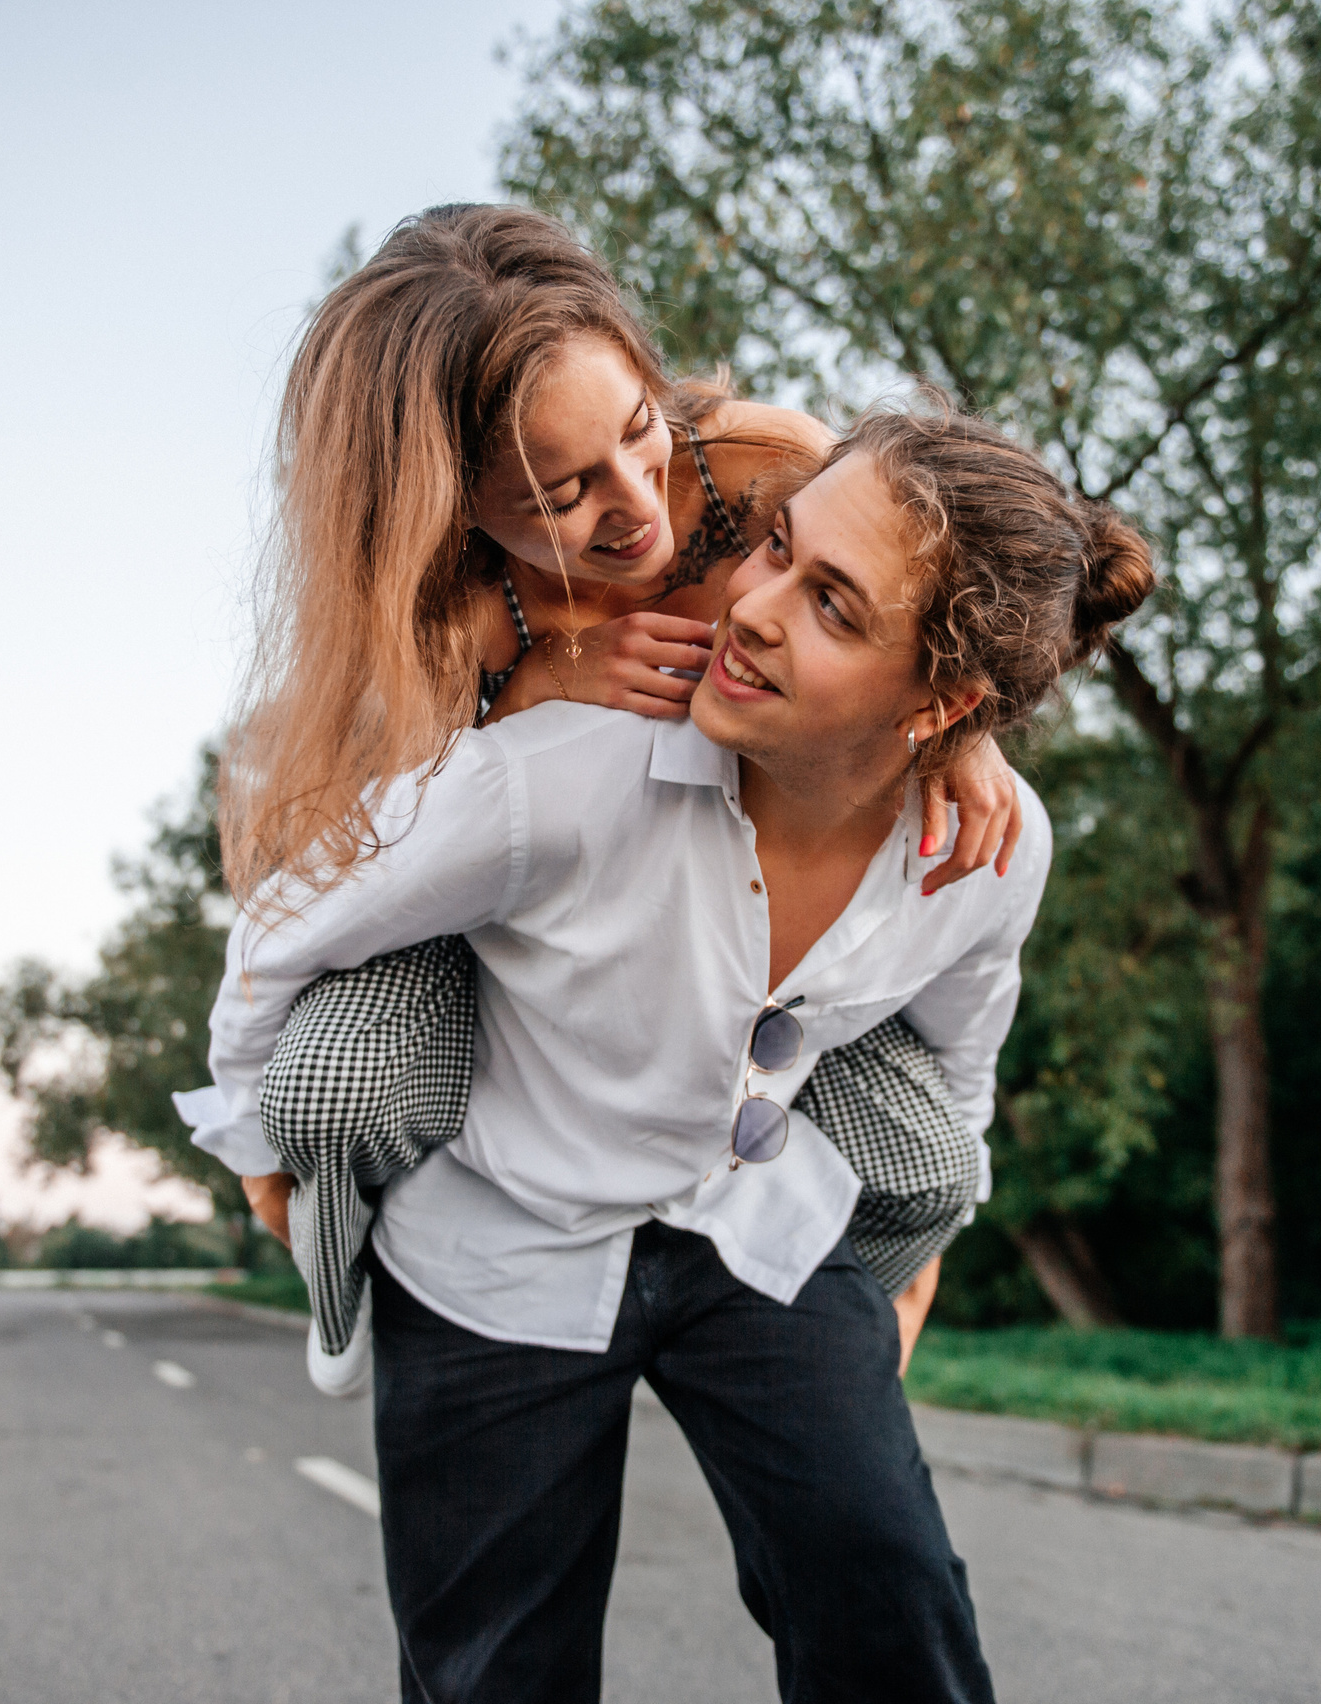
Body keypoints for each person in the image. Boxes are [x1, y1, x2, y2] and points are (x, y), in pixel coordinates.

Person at [194, 402, 1154, 1703]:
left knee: (893, 1602)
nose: (754, 607)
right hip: (502, 1239)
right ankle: (344, 1279)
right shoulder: (564, 774)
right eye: (775, 550)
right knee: (494, 1673)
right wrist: (260, 1140)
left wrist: (917, 1257)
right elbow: (284, 927)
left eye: (835, 607)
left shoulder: (987, 849)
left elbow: (956, 1050)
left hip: (752, 1229)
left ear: (948, 706)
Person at [194, 204, 1025, 1392]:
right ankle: (352, 1273)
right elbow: (377, 865)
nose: (637, 506)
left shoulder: (768, 460)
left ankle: (845, 1305)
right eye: (559, 496)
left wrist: (962, 721)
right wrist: (539, 682)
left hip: (745, 923)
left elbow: (916, 598)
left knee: (934, 1162)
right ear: (451, 505)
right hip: (516, 934)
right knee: (330, 1087)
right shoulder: (452, 623)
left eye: (640, 431)